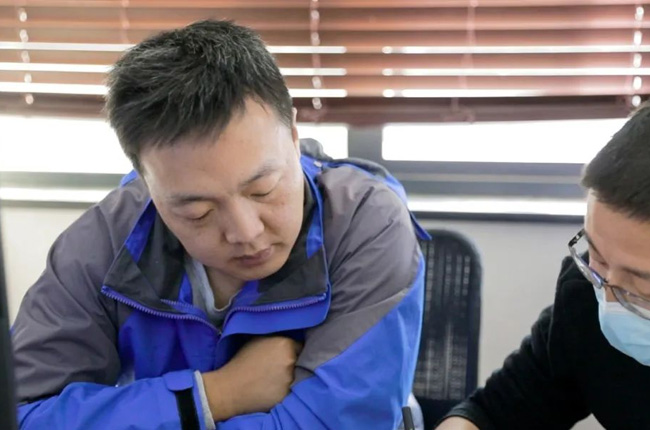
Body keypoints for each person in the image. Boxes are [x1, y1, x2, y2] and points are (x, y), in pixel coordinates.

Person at [12, 20, 428, 430]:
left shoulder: (364, 224)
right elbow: (21, 413)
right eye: (198, 212)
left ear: (293, 135)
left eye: (263, 189)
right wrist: (213, 396)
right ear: (147, 184)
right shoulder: (105, 241)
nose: (246, 233)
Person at [436, 102, 650, 430]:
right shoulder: (585, 295)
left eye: (641, 285)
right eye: (598, 256)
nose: (608, 298)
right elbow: (494, 413)